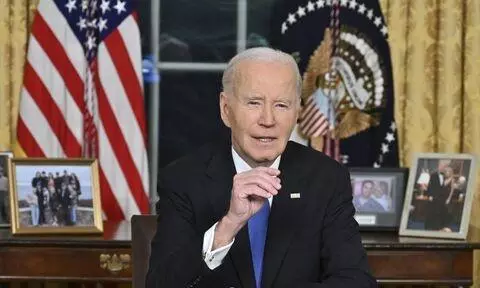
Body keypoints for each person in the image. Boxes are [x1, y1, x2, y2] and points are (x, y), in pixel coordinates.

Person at [146, 47, 376, 288]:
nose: (268, 120)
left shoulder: (327, 178)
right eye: (254, 103)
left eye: (281, 105)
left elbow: (356, 280)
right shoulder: (183, 180)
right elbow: (160, 284)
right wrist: (228, 226)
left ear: (298, 111)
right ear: (226, 109)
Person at [424, 160, 452, 230]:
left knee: (440, 215)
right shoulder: (433, 175)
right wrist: (429, 196)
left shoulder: (444, 176)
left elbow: (443, 188)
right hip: (434, 199)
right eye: (442, 166)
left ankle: (439, 229)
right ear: (439, 165)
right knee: (431, 215)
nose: (443, 168)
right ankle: (428, 229)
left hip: (441, 199)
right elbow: (429, 187)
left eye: (445, 166)